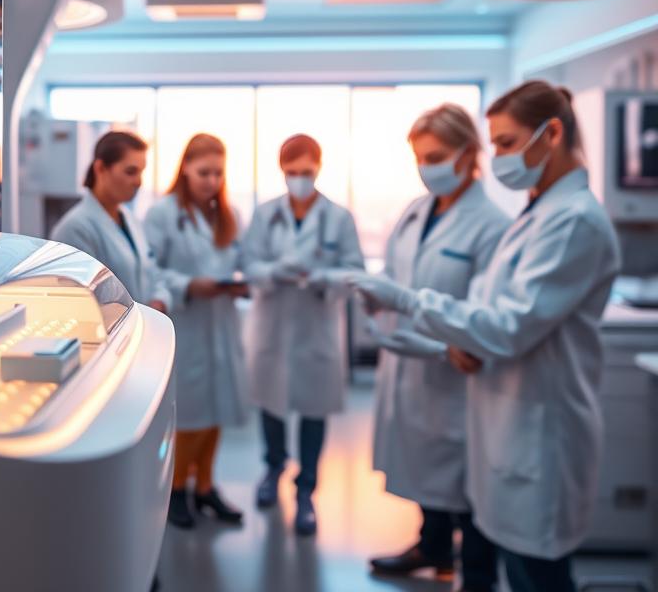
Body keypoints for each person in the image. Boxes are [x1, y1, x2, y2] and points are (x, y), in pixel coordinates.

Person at [348, 81, 620, 592]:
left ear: (553, 133)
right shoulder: (539, 214)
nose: (499, 157)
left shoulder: (572, 221)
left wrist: (409, 302)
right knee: (519, 568)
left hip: (540, 432)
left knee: (534, 574)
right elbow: (490, 309)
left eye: (507, 143)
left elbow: (510, 326)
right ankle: (435, 547)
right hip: (505, 414)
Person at [367, 104, 509, 592]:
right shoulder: (416, 210)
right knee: (424, 464)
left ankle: (477, 574)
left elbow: (486, 311)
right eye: (419, 158)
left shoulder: (491, 224)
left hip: (458, 375)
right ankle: (431, 546)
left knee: (466, 483)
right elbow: (395, 273)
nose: (426, 168)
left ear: (468, 153)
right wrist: (374, 292)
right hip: (410, 363)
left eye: (435, 156)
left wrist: (448, 344)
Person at [242, 133, 365, 536]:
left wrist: (321, 278)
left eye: (306, 172)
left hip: (317, 326)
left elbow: (353, 271)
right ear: (282, 171)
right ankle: (272, 468)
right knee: (271, 403)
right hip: (273, 325)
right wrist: (272, 272)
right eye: (292, 172)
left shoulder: (339, 217)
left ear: (319, 168)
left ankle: (306, 489)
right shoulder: (265, 214)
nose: (299, 179)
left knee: (314, 409)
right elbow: (249, 263)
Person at [145, 134, 250, 530]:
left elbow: (243, 261)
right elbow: (151, 270)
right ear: (185, 168)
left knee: (215, 412)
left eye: (218, 173)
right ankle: (177, 490)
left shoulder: (228, 215)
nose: (210, 180)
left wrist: (240, 282)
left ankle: (206, 487)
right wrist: (190, 285)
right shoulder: (163, 215)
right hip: (187, 324)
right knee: (189, 416)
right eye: (203, 172)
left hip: (221, 322)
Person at [51, 130, 170, 314]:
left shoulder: (130, 219)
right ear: (100, 169)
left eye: (141, 172)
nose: (138, 182)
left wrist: (159, 300)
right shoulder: (75, 228)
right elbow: (84, 302)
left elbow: (152, 272)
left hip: (141, 328)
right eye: (131, 172)